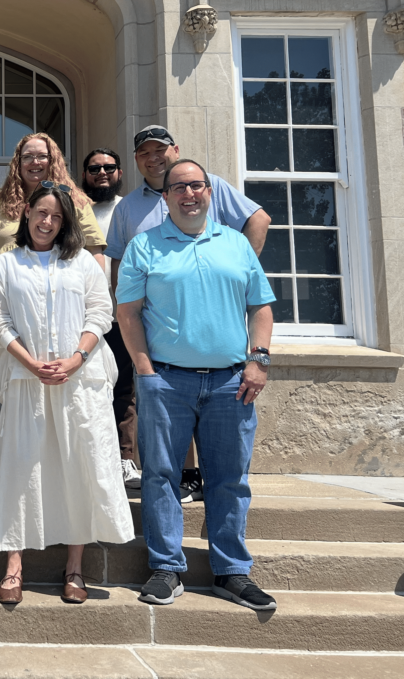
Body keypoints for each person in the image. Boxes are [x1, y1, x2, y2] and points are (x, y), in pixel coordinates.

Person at [115, 159, 277, 611]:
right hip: (166, 380)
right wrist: (144, 371)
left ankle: (232, 572)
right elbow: (127, 314)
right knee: (161, 477)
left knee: (228, 479)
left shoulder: (236, 245)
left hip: (232, 382)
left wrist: (258, 361)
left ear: (210, 192)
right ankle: (167, 568)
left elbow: (260, 308)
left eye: (197, 185)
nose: (190, 194)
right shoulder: (144, 247)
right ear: (165, 198)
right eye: (179, 188)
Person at [105, 125, 272, 502]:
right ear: (137, 161)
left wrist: (227, 276)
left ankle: (195, 482)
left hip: (219, 354)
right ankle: (176, 484)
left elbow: (259, 220)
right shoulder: (128, 206)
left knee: (226, 471)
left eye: (160, 150)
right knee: (156, 421)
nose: (153, 157)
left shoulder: (205, 183)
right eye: (144, 152)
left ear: (175, 151)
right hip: (153, 334)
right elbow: (117, 261)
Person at [0, 132, 107, 497]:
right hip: (9, 318)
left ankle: (57, 480)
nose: (34, 162)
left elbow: (94, 252)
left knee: (63, 397)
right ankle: (14, 475)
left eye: (41, 156)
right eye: (26, 156)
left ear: (52, 159)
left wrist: (95, 300)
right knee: (12, 391)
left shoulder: (75, 200)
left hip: (65, 316)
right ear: (17, 161)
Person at [81, 147, 140, 490]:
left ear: (120, 172)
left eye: (109, 167)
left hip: (121, 316)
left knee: (124, 389)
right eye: (94, 168)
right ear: (84, 173)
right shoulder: (75, 209)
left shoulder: (127, 209)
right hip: (82, 316)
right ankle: (90, 456)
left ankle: (124, 458)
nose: (102, 173)